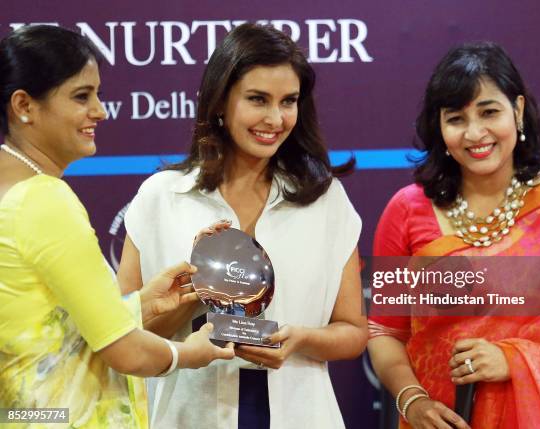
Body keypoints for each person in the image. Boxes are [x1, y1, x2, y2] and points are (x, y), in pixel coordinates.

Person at [117, 23, 368, 429]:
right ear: (220, 102)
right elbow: (123, 333)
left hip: (301, 413)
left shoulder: (326, 199)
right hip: (187, 415)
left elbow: (353, 331)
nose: (275, 118)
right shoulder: (161, 197)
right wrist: (199, 293)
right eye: (257, 99)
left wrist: (299, 339)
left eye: (289, 101)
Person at [367, 42, 540, 428]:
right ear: (440, 127)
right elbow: (385, 331)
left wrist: (515, 361)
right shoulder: (407, 211)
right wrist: (413, 402)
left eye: (489, 112)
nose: (475, 133)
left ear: (517, 111)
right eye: (456, 118)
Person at [0, 25, 234, 429]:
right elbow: (126, 353)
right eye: (81, 96)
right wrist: (189, 353)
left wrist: (142, 304)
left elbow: (45, 331)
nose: (100, 111)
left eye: (98, 94)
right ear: (24, 105)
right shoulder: (43, 199)